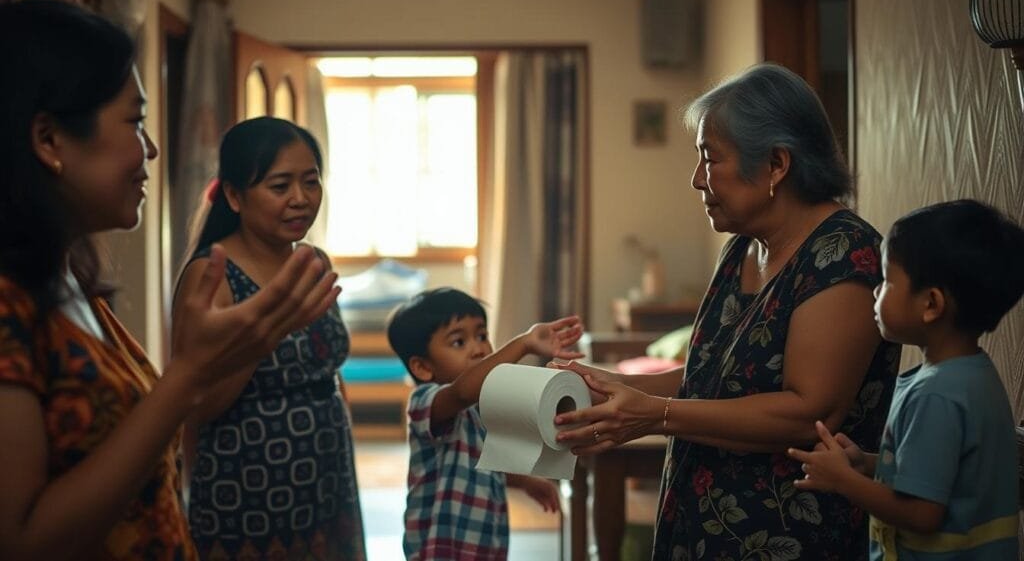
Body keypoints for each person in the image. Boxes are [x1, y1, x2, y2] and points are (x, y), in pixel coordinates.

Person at [0, 0, 339, 561]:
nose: (151, 150)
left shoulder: (70, 287)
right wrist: (189, 375)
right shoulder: (8, 304)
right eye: (134, 122)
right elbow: (22, 543)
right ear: (49, 140)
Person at [552, 63, 901, 560]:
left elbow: (811, 413)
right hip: (698, 527)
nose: (697, 180)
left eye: (709, 159)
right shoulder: (741, 248)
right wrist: (606, 389)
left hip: (787, 537)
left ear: (777, 164)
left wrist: (658, 415)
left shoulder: (844, 257)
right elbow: (711, 376)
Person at [172, 117, 365, 560]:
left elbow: (326, 369)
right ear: (235, 197)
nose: (301, 199)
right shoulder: (212, 273)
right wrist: (271, 326)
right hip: (248, 483)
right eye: (280, 186)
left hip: (328, 468)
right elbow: (198, 403)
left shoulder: (313, 261)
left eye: (311, 182)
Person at [788, 199, 1024, 560]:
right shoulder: (974, 376)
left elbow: (921, 513)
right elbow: (942, 473)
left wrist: (844, 480)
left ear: (931, 304)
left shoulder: (936, 395)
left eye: (887, 281)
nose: (875, 291)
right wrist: (868, 463)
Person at [386, 287, 580, 560]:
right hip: (440, 549)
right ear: (422, 367)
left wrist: (525, 481)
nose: (478, 349)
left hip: (485, 544)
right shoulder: (426, 403)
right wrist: (523, 344)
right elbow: (461, 392)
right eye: (458, 342)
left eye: (482, 335)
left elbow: (483, 462)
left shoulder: (479, 409)